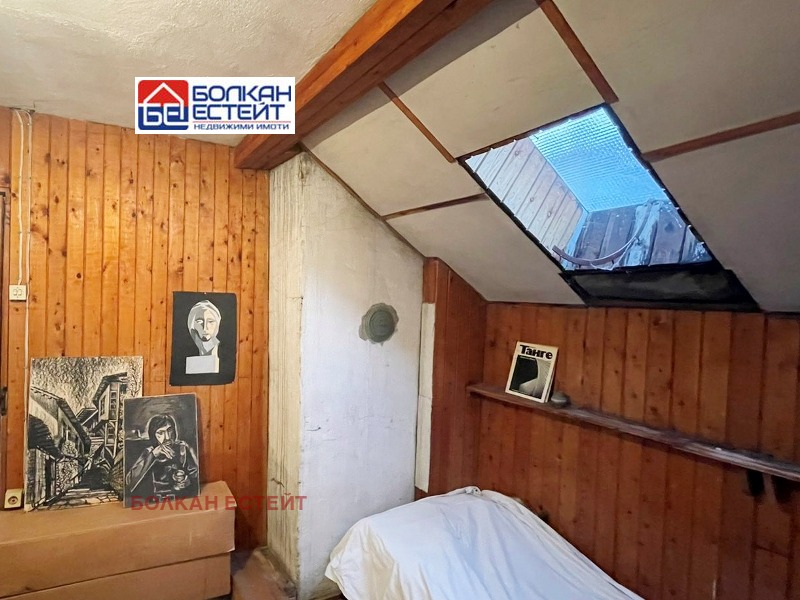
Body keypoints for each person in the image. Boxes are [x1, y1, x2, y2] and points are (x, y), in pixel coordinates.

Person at [126, 414, 199, 501]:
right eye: (160, 433)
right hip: (154, 500)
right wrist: (153, 455)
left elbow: (196, 476)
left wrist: (188, 481)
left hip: (180, 499)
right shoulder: (150, 452)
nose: (167, 437)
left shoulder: (182, 448)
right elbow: (129, 482)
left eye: (169, 430)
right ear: (153, 435)